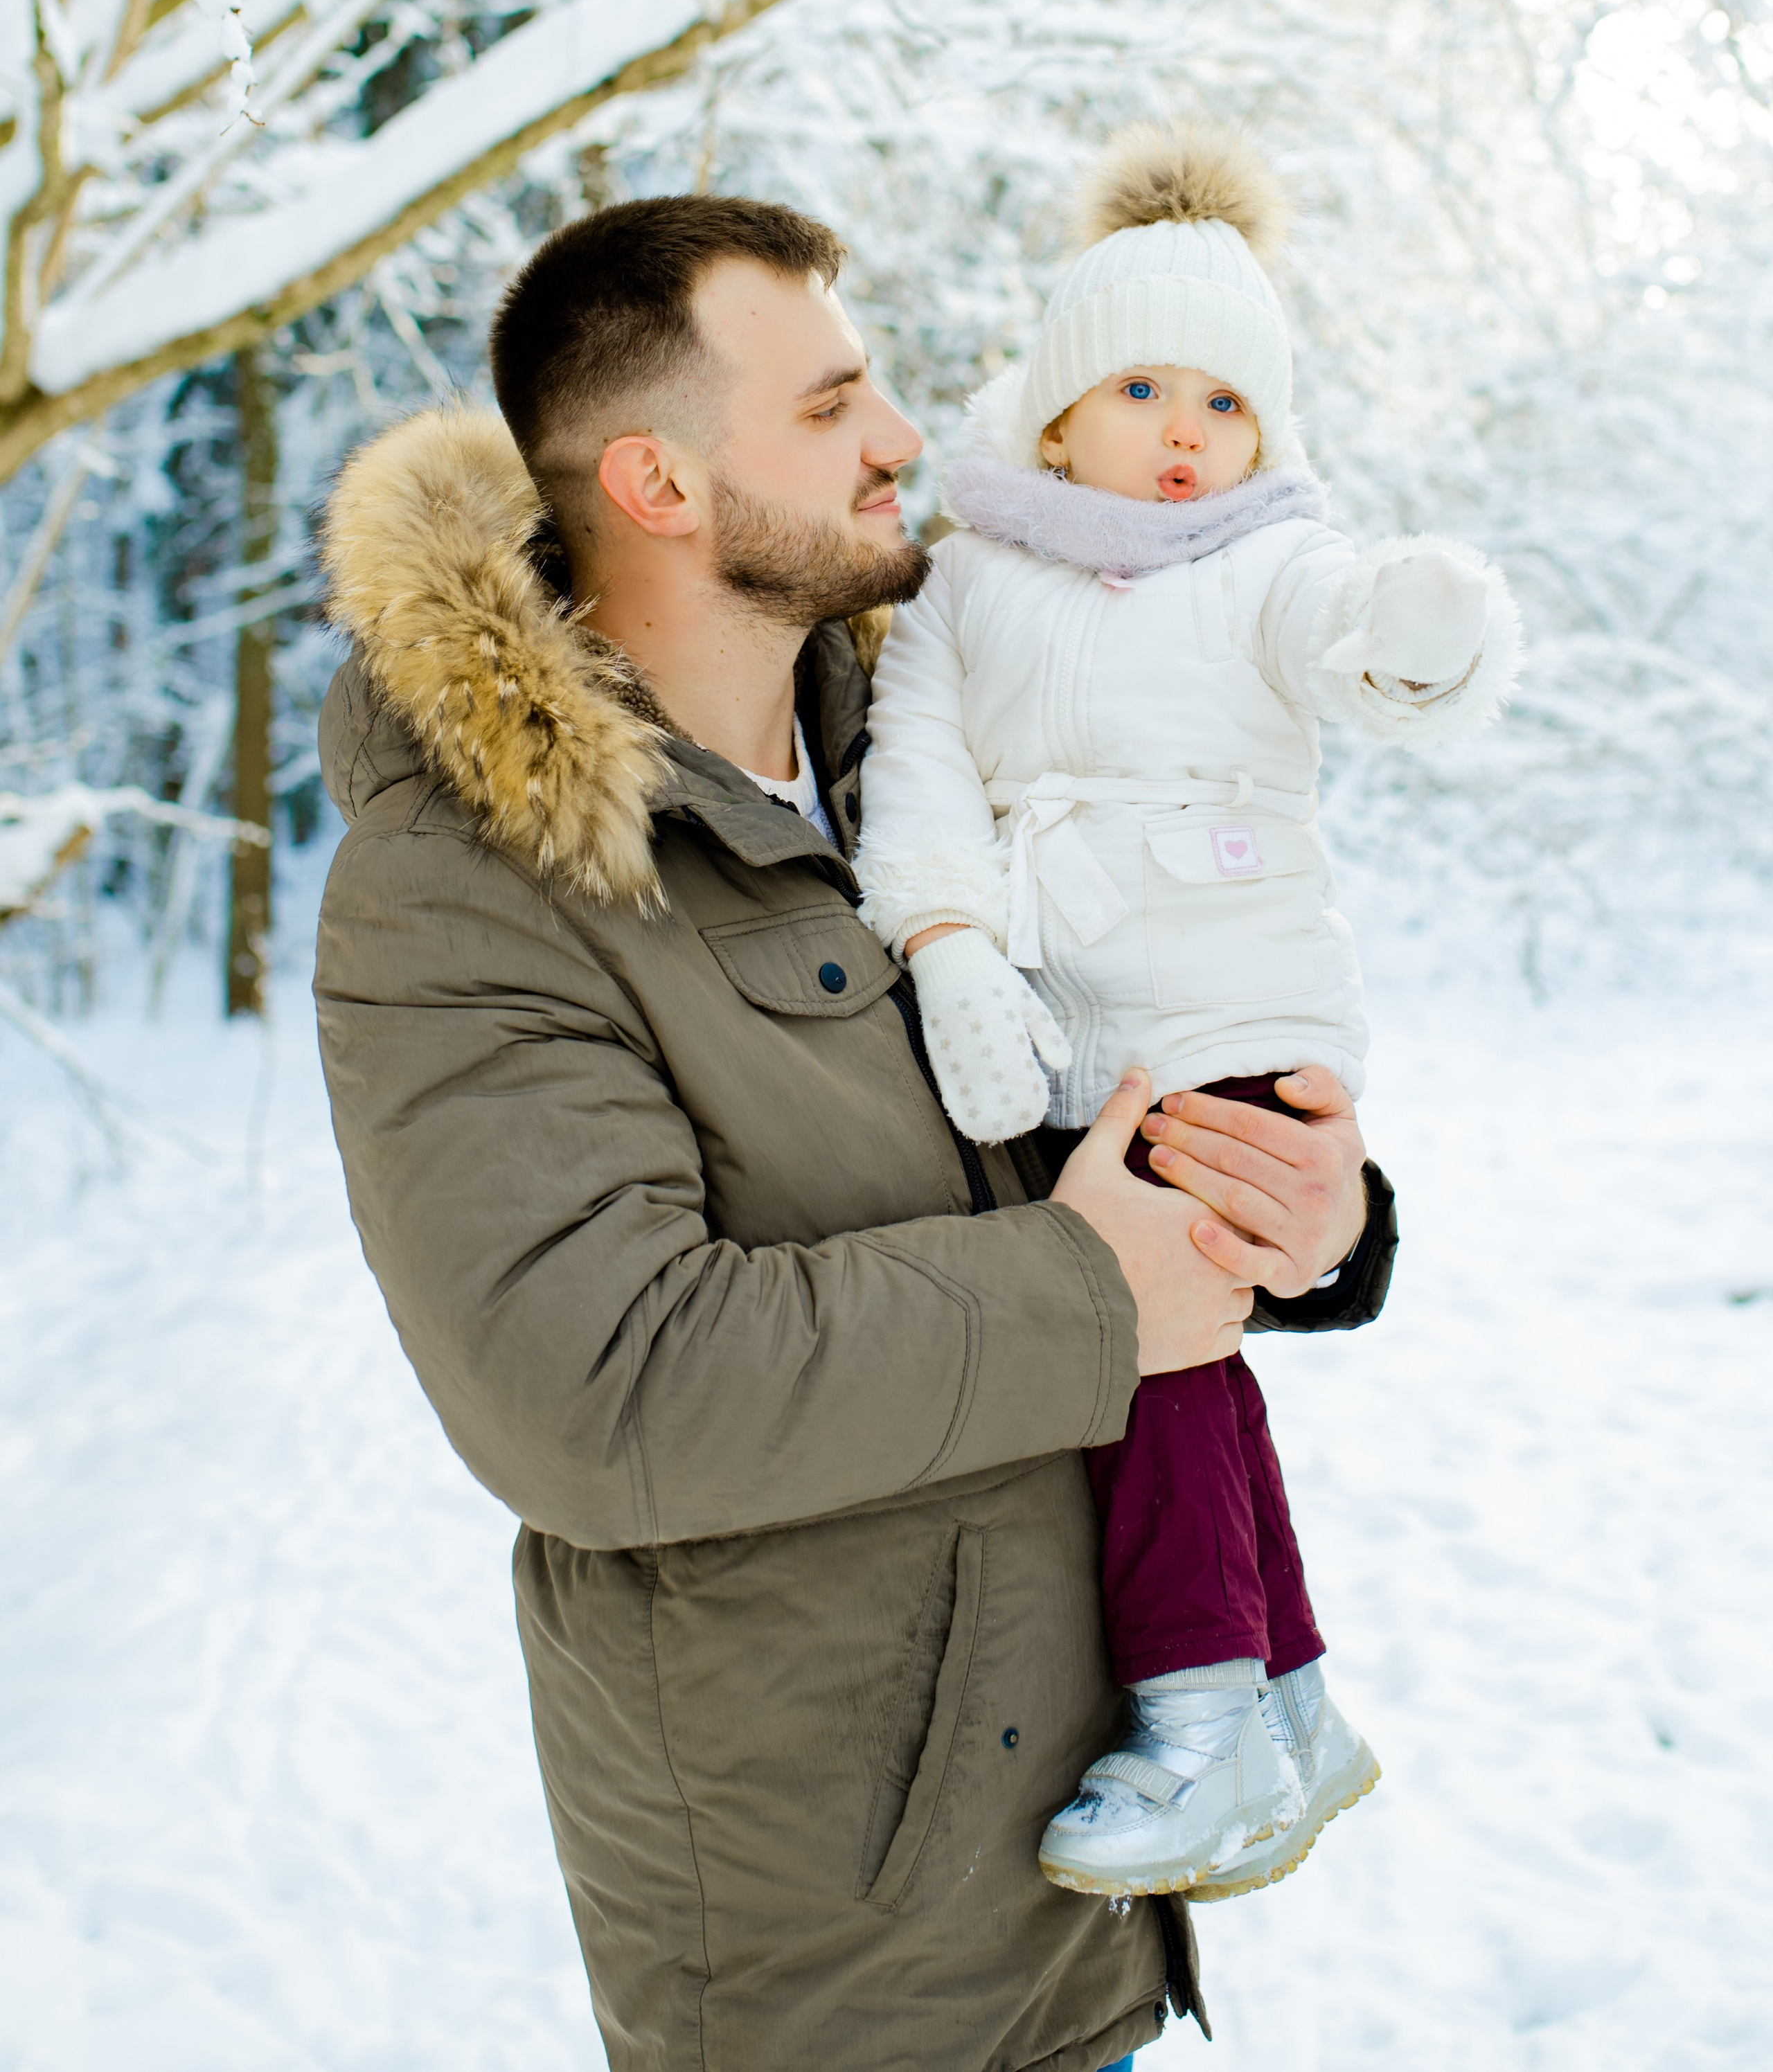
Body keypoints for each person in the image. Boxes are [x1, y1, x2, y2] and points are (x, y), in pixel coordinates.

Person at [312, 191, 1396, 2072]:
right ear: (656, 478)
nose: (903, 435)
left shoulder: (930, 747)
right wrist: (1081, 1292)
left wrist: (1314, 1210)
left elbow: (1103, 1113)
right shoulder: (468, 888)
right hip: (846, 1962)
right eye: (832, 405)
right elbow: (598, 1390)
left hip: (1079, 1876)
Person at [854, 123, 1520, 1906]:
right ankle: (1286, 1696)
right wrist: (945, 941)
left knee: (1151, 1345)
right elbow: (914, 771)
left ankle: (1205, 1708)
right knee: (1181, 1350)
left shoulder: (1265, 557)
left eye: (1224, 402)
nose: (1182, 433)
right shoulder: (968, 577)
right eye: (1141, 387)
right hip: (1068, 1027)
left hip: (1236, 1023)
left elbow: (1351, 638)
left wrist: (1424, 623)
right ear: (1054, 411)